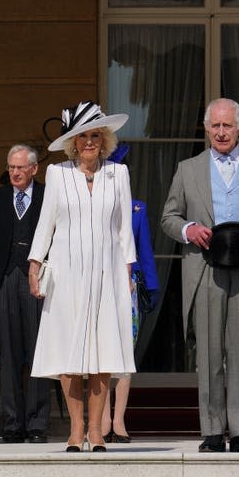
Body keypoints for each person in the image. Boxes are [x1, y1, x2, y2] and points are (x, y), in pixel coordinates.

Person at [161, 98, 239, 453]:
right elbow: (168, 216)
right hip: (206, 270)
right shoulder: (188, 169)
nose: (221, 132)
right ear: (206, 128)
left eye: (227, 126)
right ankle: (213, 431)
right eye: (215, 126)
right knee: (210, 354)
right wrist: (188, 230)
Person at [28, 101, 136, 453]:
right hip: (66, 274)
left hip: (107, 274)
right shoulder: (58, 174)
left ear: (104, 140)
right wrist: (35, 263)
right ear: (73, 143)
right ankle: (76, 430)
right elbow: (46, 222)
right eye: (82, 137)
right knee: (68, 354)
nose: (89, 142)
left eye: (94, 136)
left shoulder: (117, 174)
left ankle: (97, 432)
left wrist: (128, 271)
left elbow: (123, 230)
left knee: (103, 355)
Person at [0, 144, 51, 444]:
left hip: (39, 283)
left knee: (38, 354)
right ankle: (12, 424)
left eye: (20, 167)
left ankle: (37, 425)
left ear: (34, 169)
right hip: (3, 283)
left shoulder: (48, 196)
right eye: (11, 167)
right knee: (8, 355)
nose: (15, 172)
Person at [101, 144, 160, 443]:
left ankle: (119, 421)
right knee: (99, 355)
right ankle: (101, 421)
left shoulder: (138, 208)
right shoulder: (94, 204)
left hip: (128, 289)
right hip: (98, 286)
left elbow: (145, 250)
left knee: (124, 354)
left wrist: (151, 286)